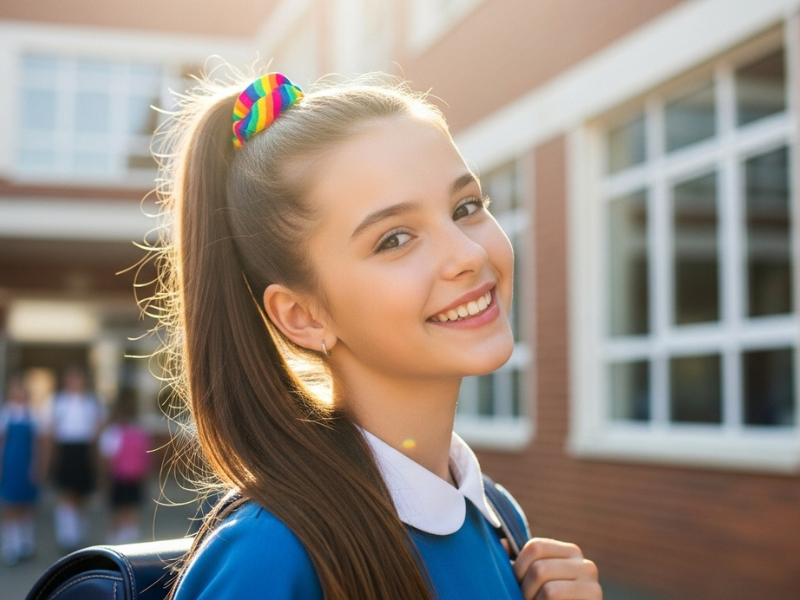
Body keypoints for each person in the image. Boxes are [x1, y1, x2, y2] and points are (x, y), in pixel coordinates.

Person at [156, 71, 601, 600]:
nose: (469, 254)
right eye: (394, 239)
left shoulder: (499, 520)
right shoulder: (271, 559)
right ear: (303, 315)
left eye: (466, 208)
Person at [44, 367, 105, 551]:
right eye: (71, 379)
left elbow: (99, 429)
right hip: (66, 450)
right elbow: (50, 432)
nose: (75, 383)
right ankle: (67, 537)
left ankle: (79, 536)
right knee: (66, 493)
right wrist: (49, 459)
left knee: (82, 494)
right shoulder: (57, 401)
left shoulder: (92, 402)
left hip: (84, 450)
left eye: (78, 379)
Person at [99, 388, 151, 544]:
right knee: (132, 510)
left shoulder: (113, 432)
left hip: (119, 478)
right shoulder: (140, 431)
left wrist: (104, 481)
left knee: (117, 511)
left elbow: (108, 460)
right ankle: (131, 538)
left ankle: (116, 541)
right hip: (135, 477)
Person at [0, 376, 42, 565]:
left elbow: (37, 444)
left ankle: (25, 544)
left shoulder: (32, 414)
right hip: (11, 462)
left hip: (26, 463)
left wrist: (37, 465)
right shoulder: (6, 413)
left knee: (26, 503)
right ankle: (11, 546)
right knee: (11, 504)